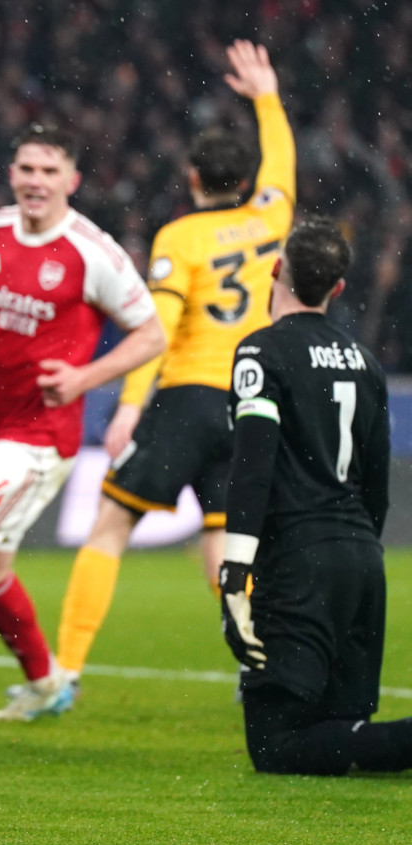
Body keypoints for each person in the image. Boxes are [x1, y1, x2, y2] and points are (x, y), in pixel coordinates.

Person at [53, 41, 297, 702]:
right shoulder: (271, 215)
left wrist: (130, 404)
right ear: (245, 181)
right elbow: (283, 163)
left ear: (193, 178)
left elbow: (155, 331)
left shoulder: (179, 237)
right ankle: (254, 668)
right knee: (222, 539)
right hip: (250, 402)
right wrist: (267, 98)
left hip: (188, 395)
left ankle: (64, 671)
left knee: (110, 525)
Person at [0, 123, 165, 723]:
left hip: (40, 438)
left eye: (49, 171)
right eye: (26, 169)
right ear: (12, 174)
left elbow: (152, 334)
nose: (36, 181)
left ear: (72, 180)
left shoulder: (92, 252)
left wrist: (84, 379)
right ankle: (46, 685)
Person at [220, 217, 412, 774]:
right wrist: (352, 551)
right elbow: (378, 486)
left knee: (276, 746)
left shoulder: (261, 352)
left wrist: (235, 573)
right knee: (339, 734)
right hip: (361, 562)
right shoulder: (366, 362)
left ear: (276, 270)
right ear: (339, 288)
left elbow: (252, 466)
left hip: (301, 562)